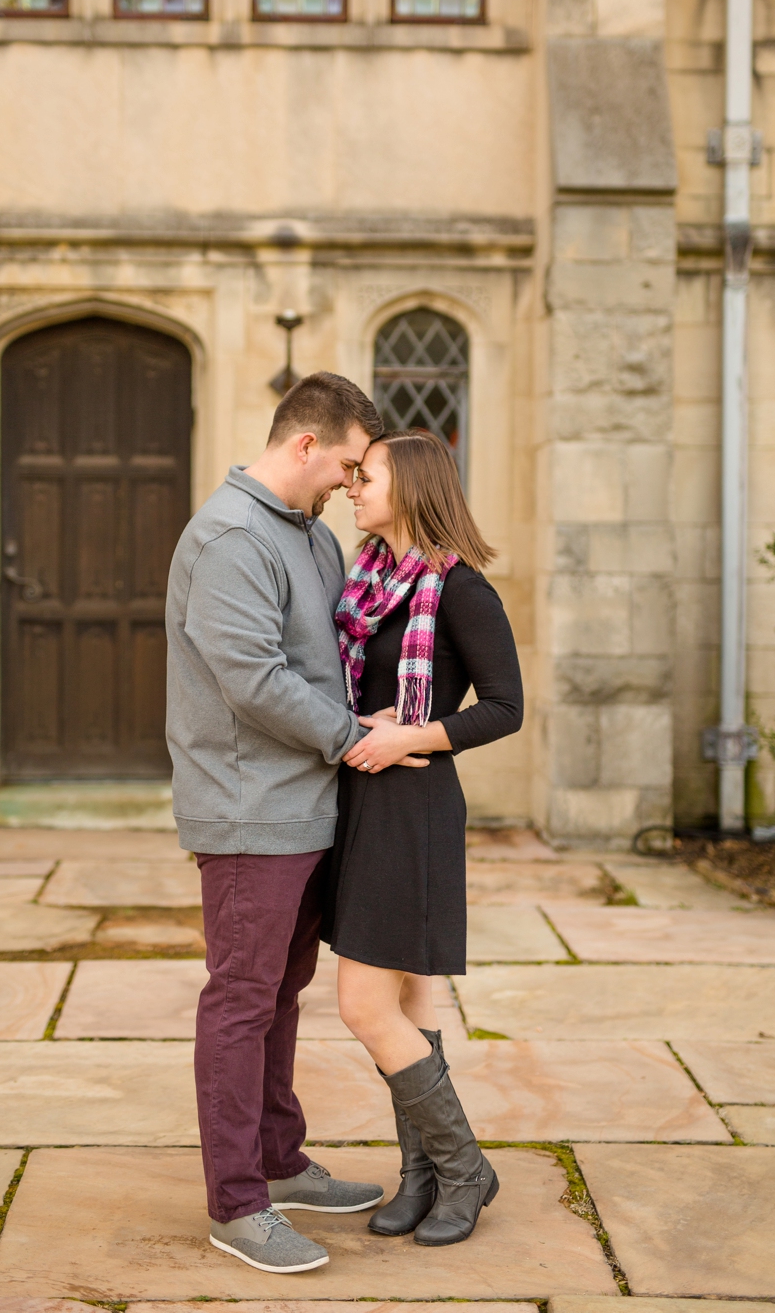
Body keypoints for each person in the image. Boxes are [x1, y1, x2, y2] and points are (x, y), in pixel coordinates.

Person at [167, 371, 388, 1275]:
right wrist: (351, 739)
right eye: (344, 462)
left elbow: (331, 654)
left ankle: (278, 1160)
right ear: (305, 445)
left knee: (281, 990)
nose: (348, 480)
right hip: (250, 809)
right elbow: (252, 679)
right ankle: (237, 1204)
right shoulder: (228, 538)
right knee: (241, 997)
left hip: (309, 806)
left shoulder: (315, 540)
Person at [322, 428, 524, 1247]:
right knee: (409, 999)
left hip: (416, 809)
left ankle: (466, 1166)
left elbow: (506, 708)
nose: (352, 488)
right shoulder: (367, 582)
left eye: (364, 477)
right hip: (362, 805)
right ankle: (426, 1175)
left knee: (363, 1004)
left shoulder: (462, 588)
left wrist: (411, 736)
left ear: (408, 486)